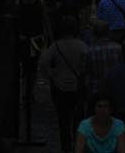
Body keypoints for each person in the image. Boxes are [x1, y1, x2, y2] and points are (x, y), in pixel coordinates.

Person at [42, 16, 89, 153]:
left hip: (60, 88)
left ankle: (66, 148)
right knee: (78, 121)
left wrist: (52, 74)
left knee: (63, 122)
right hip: (77, 87)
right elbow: (86, 65)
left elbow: (44, 63)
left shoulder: (55, 46)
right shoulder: (82, 46)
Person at [86, 19, 124, 103]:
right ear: (108, 33)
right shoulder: (118, 48)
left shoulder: (89, 51)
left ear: (94, 34)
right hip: (114, 91)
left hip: (95, 91)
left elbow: (86, 72)